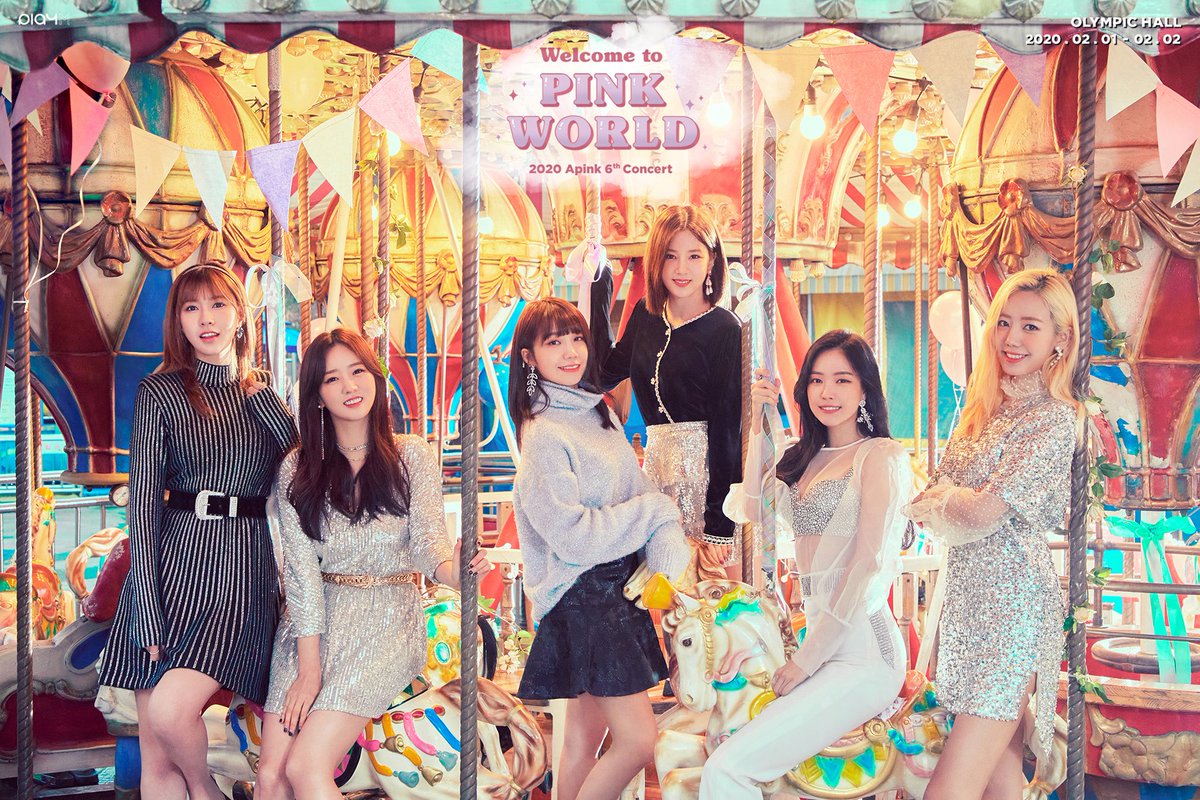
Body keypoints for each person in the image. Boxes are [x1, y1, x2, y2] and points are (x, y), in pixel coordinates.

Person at [254, 328, 491, 800]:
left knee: (306, 767)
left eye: (358, 371)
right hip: (312, 629)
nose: (349, 386)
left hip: (386, 622)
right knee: (270, 776)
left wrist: (454, 570)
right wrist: (309, 669)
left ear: (375, 377)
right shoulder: (297, 468)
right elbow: (301, 575)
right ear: (316, 395)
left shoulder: (410, 455)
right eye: (332, 379)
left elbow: (428, 543)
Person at [99, 264, 297, 800]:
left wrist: (261, 397)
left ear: (240, 316)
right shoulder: (160, 392)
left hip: (242, 568)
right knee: (155, 754)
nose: (205, 318)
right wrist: (146, 601)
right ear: (178, 321)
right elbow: (144, 505)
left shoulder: (262, 394)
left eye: (217, 305)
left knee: (171, 711)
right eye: (191, 307)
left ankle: (204, 788)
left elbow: (300, 469)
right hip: (173, 564)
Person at [700, 330, 912, 798]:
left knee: (728, 768)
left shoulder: (880, 456)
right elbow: (754, 506)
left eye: (842, 380)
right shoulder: (803, 459)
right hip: (817, 640)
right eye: (816, 380)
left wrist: (808, 659)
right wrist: (759, 422)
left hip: (862, 652)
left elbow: (868, 563)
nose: (827, 392)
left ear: (865, 389)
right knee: (728, 753)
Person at [905, 268, 1081, 800]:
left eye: (1030, 326)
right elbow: (929, 497)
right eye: (1004, 322)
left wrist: (952, 500)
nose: (1012, 337)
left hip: (1013, 608)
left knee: (948, 790)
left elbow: (981, 512)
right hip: (967, 601)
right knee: (999, 786)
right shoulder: (984, 409)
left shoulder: (1054, 419)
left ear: (1060, 339)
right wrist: (952, 499)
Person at [510, 297, 691, 800]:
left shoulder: (598, 412)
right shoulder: (544, 434)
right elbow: (572, 535)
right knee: (638, 741)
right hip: (584, 596)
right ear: (529, 357)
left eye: (576, 339)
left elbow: (638, 493)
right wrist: (653, 513)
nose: (570, 352)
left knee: (581, 743)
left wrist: (659, 525)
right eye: (554, 342)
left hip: (615, 589)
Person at [590, 204, 743, 579]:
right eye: (671, 256)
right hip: (656, 477)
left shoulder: (725, 329)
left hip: (705, 480)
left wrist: (719, 525)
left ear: (712, 261)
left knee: (709, 599)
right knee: (659, 594)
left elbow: (727, 432)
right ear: (656, 261)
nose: (681, 268)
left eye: (694, 256)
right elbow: (604, 373)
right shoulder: (646, 316)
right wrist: (598, 285)